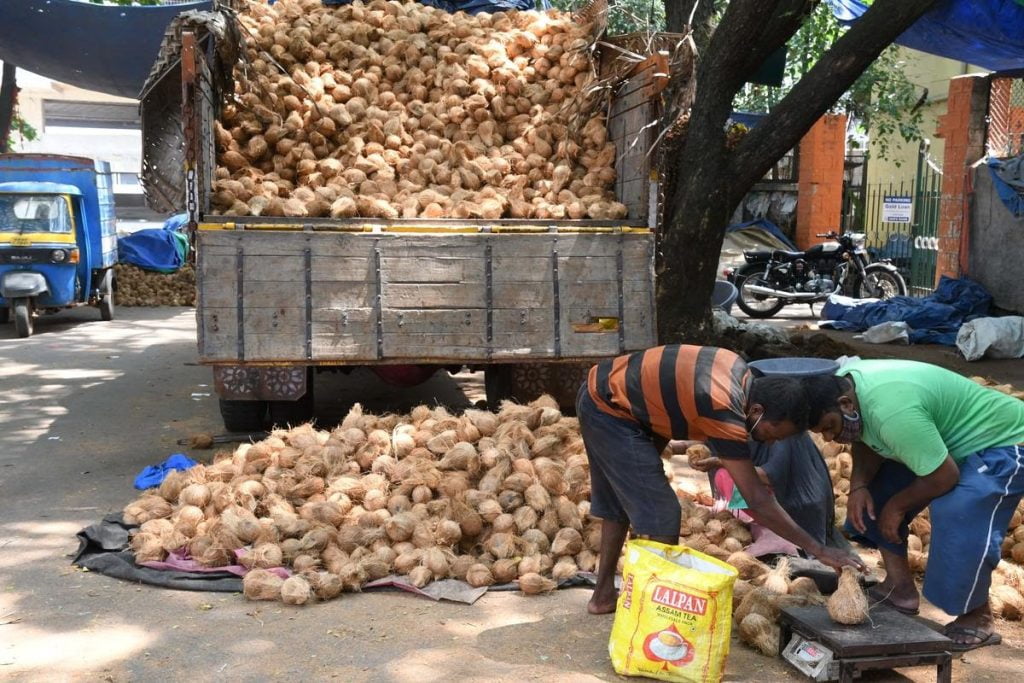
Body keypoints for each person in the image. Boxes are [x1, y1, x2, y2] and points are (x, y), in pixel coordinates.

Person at [577, 344, 863, 615]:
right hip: (610, 407)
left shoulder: (743, 378)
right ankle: (652, 614)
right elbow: (757, 499)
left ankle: (603, 596)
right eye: (772, 434)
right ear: (756, 411)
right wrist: (819, 549)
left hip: (619, 397)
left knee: (619, 502)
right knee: (663, 514)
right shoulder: (723, 407)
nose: (771, 443)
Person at [804, 360, 1024, 651]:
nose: (829, 438)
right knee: (874, 497)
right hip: (947, 444)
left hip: (1004, 442)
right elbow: (864, 438)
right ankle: (900, 589)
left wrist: (896, 507)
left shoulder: (892, 412)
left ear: (845, 404)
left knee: (958, 511)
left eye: (829, 427)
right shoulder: (847, 387)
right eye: (822, 433)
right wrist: (858, 486)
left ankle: (977, 615)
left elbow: (944, 476)